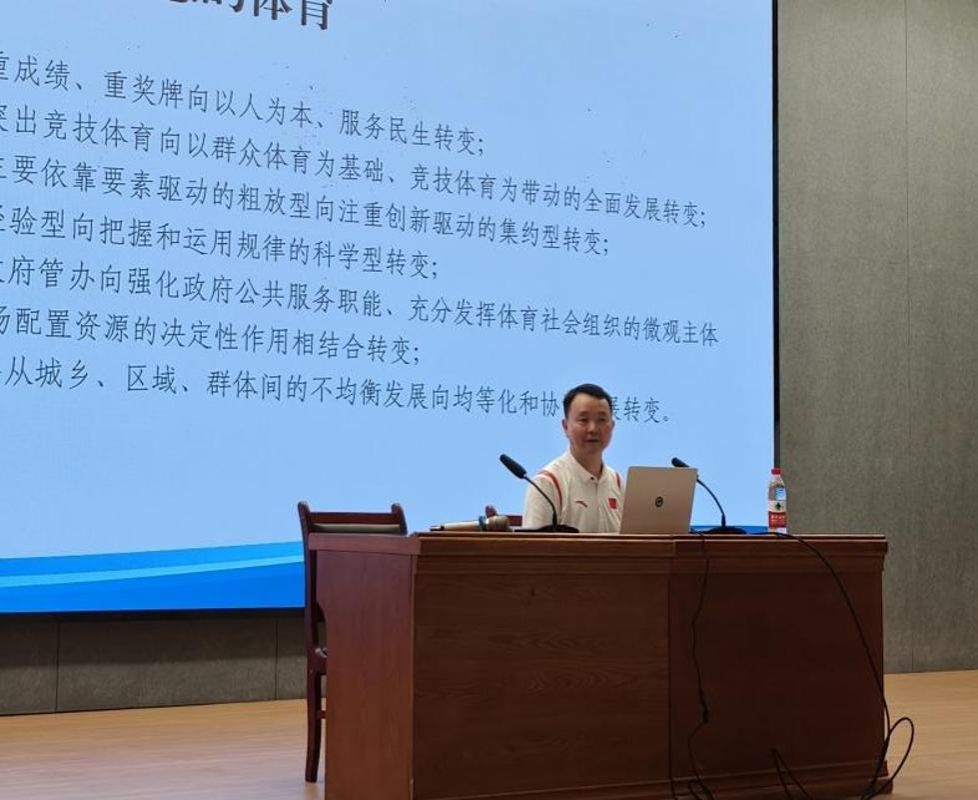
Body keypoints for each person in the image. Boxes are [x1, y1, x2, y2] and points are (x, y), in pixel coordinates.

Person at [522, 383, 624, 532]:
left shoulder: (618, 483)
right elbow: (532, 545)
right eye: (583, 420)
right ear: (565, 427)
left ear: (612, 426)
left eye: (601, 420)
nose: (593, 429)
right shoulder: (547, 483)